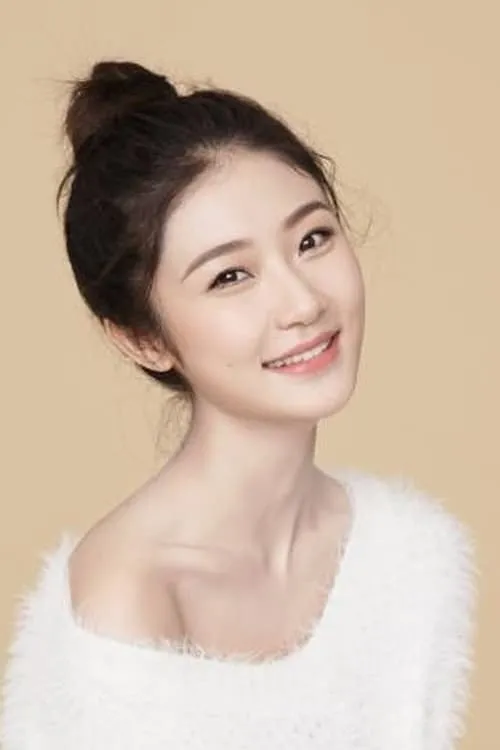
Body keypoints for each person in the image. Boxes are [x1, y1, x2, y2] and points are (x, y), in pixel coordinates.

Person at [0, 60, 478, 750]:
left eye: (312, 239)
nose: (303, 302)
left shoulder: (406, 552)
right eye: (230, 276)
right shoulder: (124, 606)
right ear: (142, 338)